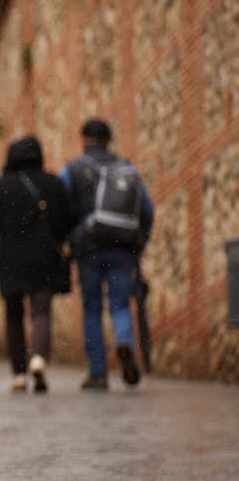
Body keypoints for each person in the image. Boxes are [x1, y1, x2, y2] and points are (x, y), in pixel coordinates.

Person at [59, 118, 154, 390]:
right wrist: (140, 240)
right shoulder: (127, 169)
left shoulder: (72, 169)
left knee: (91, 307)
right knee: (120, 304)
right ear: (109, 140)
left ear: (83, 139)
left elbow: (61, 207)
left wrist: (69, 239)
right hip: (123, 247)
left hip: (88, 247)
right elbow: (146, 210)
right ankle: (123, 341)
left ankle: (98, 371)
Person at [0, 135, 73, 393]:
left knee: (14, 314)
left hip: (11, 258)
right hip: (44, 256)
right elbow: (66, 221)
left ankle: (19, 373)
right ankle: (39, 358)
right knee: (41, 310)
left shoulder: (3, 186)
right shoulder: (52, 183)